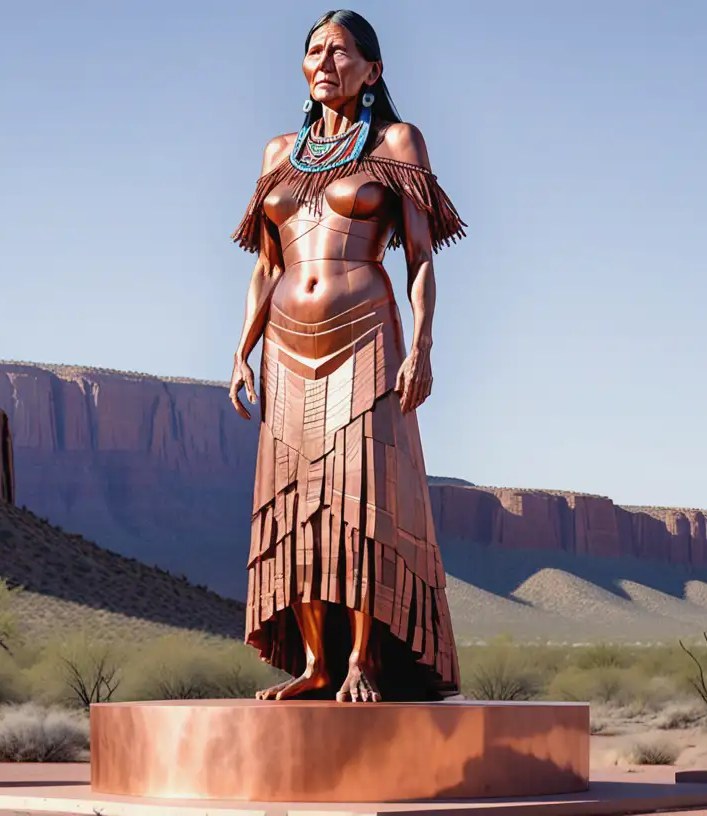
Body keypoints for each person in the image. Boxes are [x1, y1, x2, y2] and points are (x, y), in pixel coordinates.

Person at [229, 9, 465, 702]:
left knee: (361, 500)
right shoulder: (279, 153)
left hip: (366, 333)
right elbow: (265, 267)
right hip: (285, 347)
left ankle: (364, 659)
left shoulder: (395, 141)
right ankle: (316, 664)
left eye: (339, 51)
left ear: (373, 69)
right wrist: (242, 352)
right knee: (294, 502)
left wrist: (421, 345)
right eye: (313, 51)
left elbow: (420, 258)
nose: (324, 62)